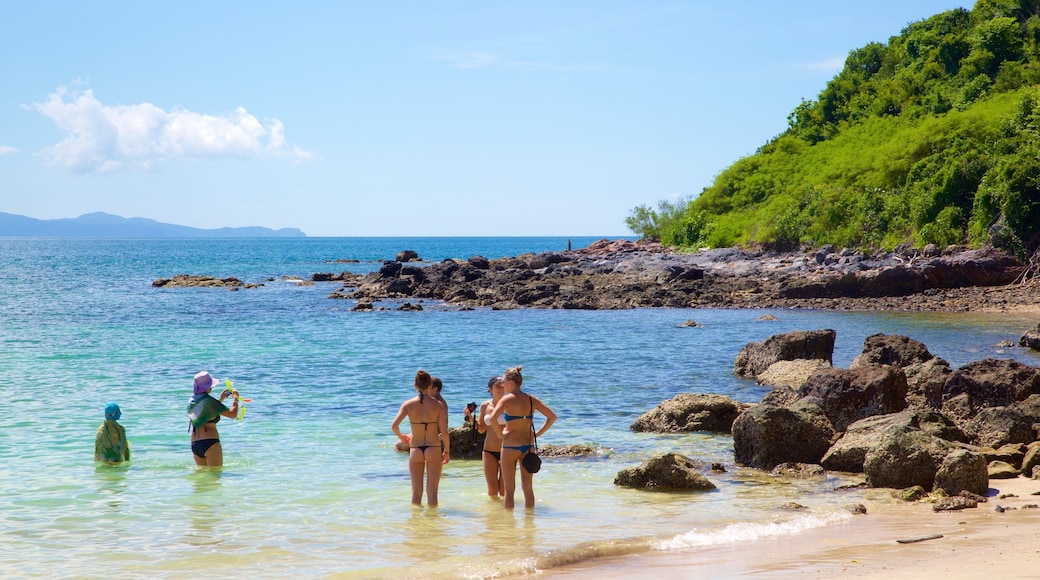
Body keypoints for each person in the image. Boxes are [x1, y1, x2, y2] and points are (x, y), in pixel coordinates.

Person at [489, 366, 556, 509]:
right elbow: (552, 417)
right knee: (528, 488)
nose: (502, 385)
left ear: (512, 383)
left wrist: (501, 435)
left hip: (509, 446)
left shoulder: (507, 400)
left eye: (504, 381)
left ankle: (509, 525)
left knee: (509, 490)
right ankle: (529, 523)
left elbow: (493, 418)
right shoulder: (531, 399)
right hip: (528, 446)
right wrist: (537, 434)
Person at [391, 369, 450, 506]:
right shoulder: (438, 405)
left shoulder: (408, 404)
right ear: (430, 385)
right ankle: (433, 523)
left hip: (416, 449)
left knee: (416, 493)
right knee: (432, 493)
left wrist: (402, 437)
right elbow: (445, 432)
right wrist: (446, 451)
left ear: (415, 386)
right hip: (433, 448)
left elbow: (394, 425)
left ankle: (416, 524)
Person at [187, 370, 239, 468]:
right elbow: (233, 414)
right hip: (210, 443)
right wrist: (235, 398)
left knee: (201, 480)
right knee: (215, 477)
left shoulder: (192, 401)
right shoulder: (210, 402)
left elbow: (206, 413)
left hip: (195, 444)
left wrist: (221, 399)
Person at [468, 375, 506, 498]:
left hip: (507, 450)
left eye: (502, 386)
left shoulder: (509, 404)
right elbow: (481, 429)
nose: (500, 389)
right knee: (492, 489)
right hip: (489, 450)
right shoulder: (485, 405)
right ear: (490, 389)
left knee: (504, 489)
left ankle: (507, 515)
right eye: (497, 386)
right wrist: (470, 418)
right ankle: (493, 515)